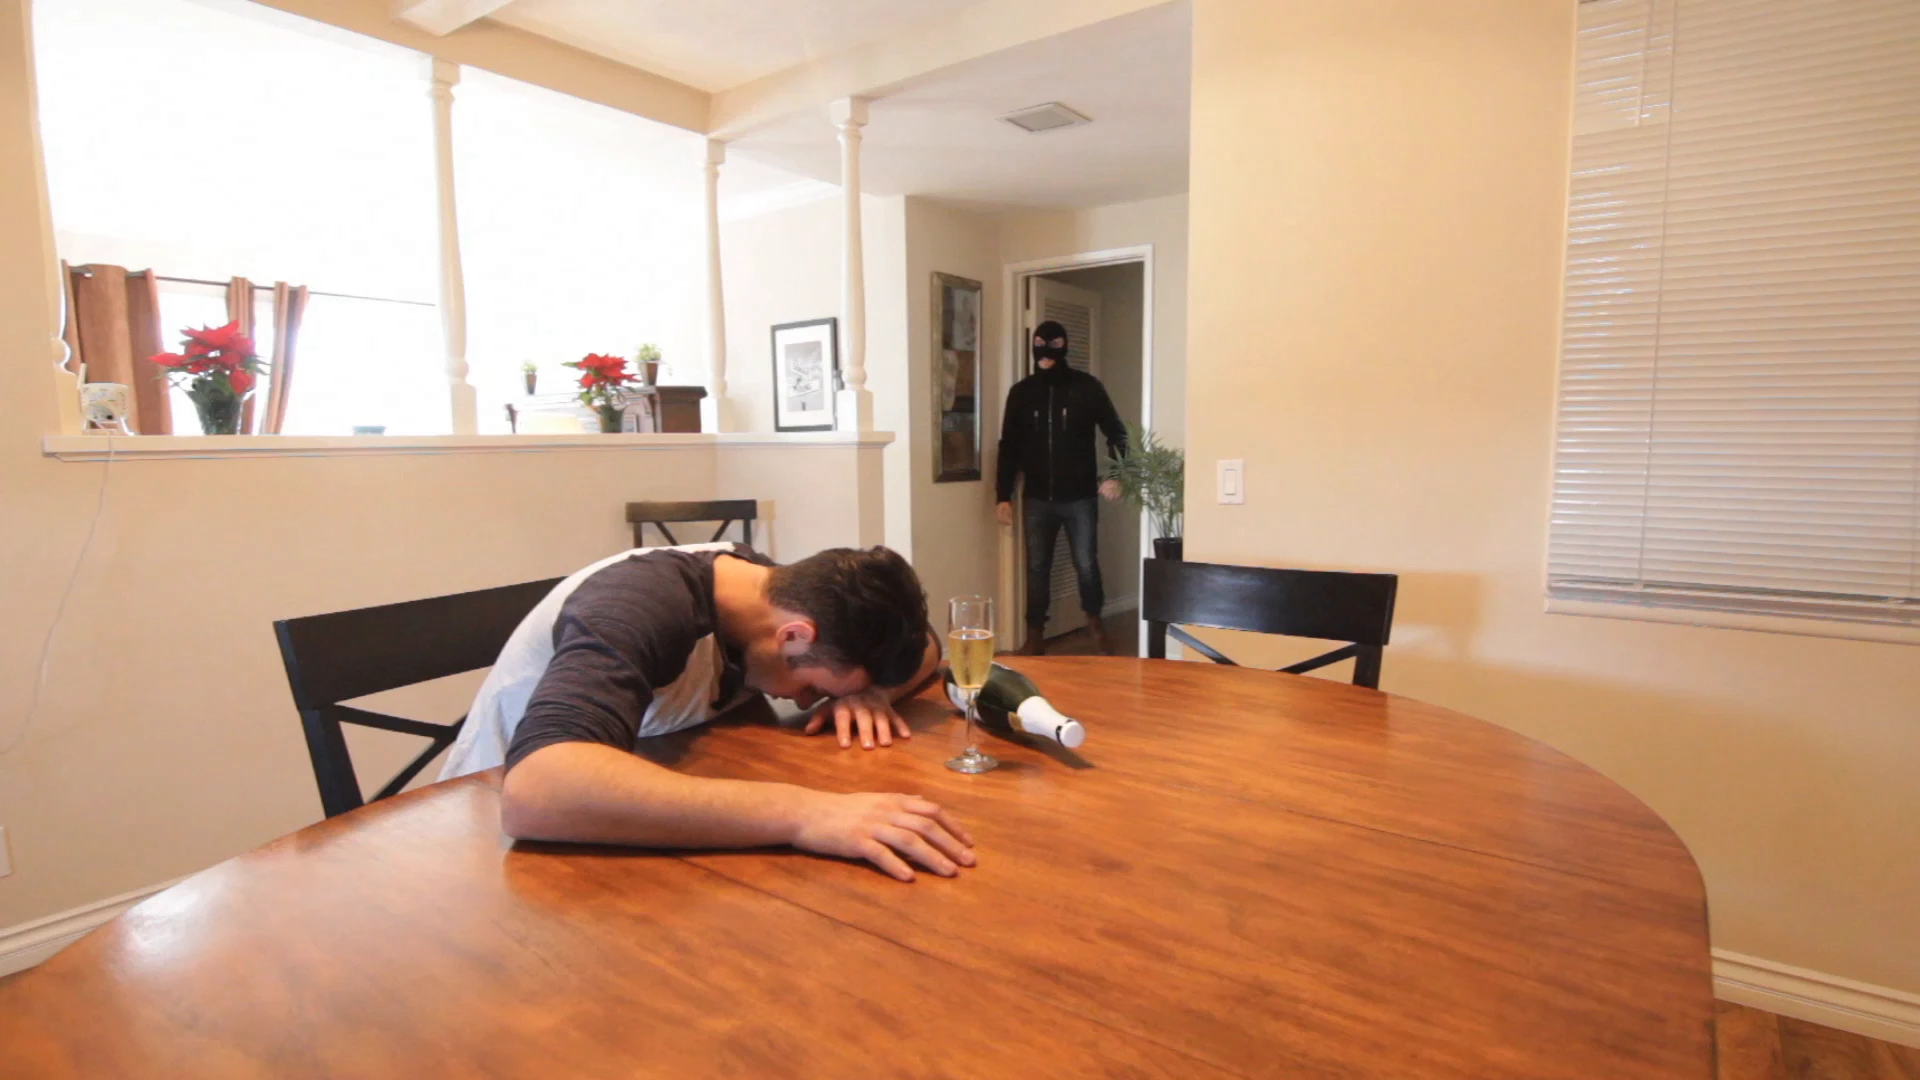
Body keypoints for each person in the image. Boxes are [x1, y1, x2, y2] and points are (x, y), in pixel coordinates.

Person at [439, 542, 973, 883]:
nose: (808, 702)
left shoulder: (767, 588)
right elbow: (538, 791)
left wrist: (869, 693)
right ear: (793, 636)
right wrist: (806, 814)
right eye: (812, 686)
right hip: (495, 847)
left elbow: (926, 644)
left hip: (647, 820)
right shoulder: (633, 607)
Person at [995, 319, 1128, 655]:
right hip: (1037, 498)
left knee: (1086, 563)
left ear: (1064, 346)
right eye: (1040, 343)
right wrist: (1002, 495)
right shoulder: (1021, 393)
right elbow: (1008, 446)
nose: (1045, 351)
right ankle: (1035, 634)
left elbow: (1116, 433)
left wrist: (1116, 474)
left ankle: (1095, 624)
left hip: (1080, 497)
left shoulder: (1087, 388)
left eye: (1053, 345)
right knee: (1036, 567)